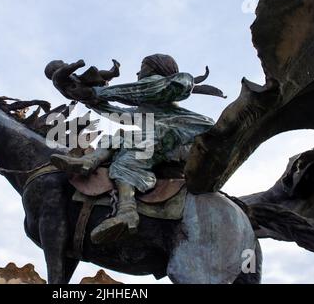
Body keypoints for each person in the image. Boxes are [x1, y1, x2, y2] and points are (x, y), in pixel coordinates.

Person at [50, 54, 216, 244]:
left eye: (142, 67)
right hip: (162, 136)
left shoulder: (179, 81)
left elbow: (144, 89)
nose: (138, 72)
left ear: (156, 67)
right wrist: (87, 98)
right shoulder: (145, 108)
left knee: (130, 152)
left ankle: (127, 213)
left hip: (187, 137)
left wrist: (96, 93)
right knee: (122, 134)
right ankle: (90, 162)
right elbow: (119, 113)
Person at [44, 59, 120, 104]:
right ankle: (110, 77)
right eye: (62, 63)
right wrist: (77, 64)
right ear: (53, 69)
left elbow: (75, 76)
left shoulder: (69, 77)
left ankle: (113, 73)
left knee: (97, 74)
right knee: (95, 80)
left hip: (83, 85)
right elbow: (66, 69)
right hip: (81, 92)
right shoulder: (56, 77)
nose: (65, 63)